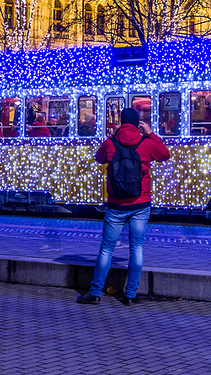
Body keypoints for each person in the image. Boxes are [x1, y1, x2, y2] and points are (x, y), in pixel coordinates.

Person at [78, 105, 170, 305]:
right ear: (138, 124)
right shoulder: (146, 142)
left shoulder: (111, 143)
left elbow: (99, 158)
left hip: (116, 205)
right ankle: (130, 295)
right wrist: (152, 134)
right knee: (136, 248)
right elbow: (165, 154)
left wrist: (112, 136)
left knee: (106, 248)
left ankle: (95, 293)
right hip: (140, 203)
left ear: (121, 122)